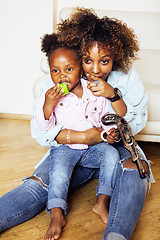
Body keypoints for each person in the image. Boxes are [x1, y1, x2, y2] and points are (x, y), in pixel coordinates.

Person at [0, 7, 154, 240]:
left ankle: (117, 234)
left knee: (134, 170)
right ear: (78, 57)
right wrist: (82, 137)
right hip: (71, 149)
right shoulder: (62, 78)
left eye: (104, 61)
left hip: (112, 146)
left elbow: (137, 120)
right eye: (86, 61)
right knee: (41, 181)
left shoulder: (125, 76)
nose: (94, 69)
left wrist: (112, 98)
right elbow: (40, 131)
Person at [34, 32, 121, 240]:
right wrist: (48, 105)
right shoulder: (51, 95)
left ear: (80, 68)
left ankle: (102, 202)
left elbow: (102, 120)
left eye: (69, 69)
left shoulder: (93, 91)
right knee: (59, 173)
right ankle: (56, 213)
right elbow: (43, 126)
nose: (62, 76)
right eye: (55, 70)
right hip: (65, 149)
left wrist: (108, 134)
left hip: (93, 148)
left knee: (111, 155)